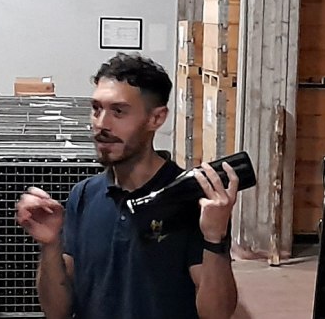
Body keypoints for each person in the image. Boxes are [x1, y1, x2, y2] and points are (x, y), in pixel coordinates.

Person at [15, 53, 239, 319]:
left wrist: (214, 237)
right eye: (97, 109)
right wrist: (51, 244)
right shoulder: (84, 196)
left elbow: (217, 314)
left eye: (118, 112)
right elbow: (57, 311)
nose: (101, 124)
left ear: (156, 118)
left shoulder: (191, 200)